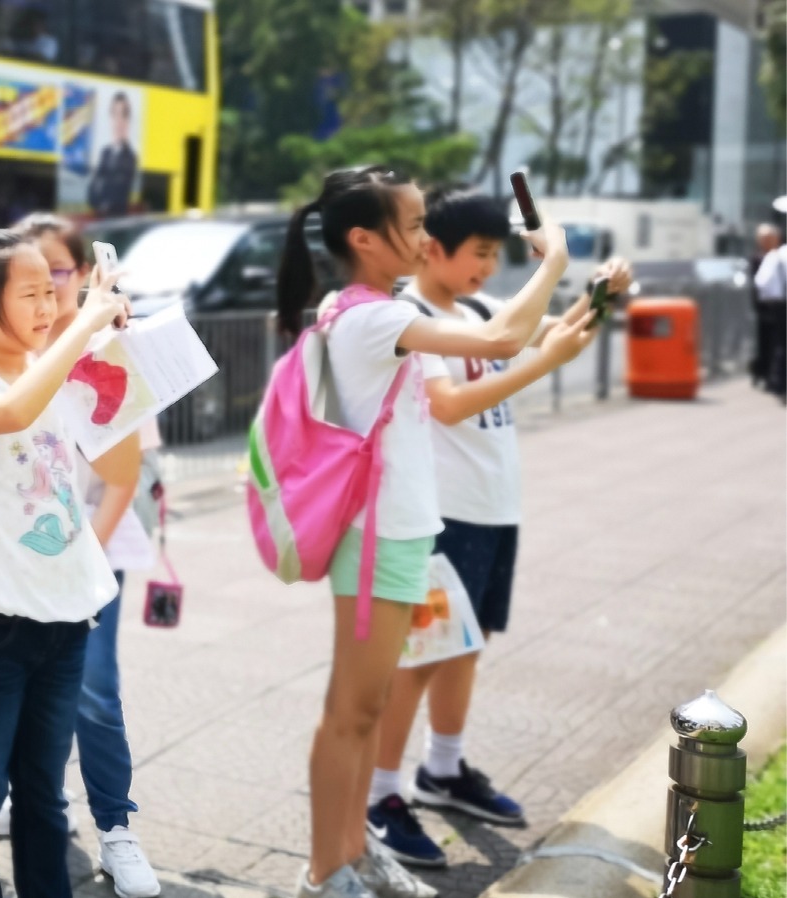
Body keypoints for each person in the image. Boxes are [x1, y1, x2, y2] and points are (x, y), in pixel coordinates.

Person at [272, 166, 569, 898]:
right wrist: (553, 262)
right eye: (411, 226)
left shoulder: (370, 310)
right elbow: (502, 337)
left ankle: (354, 851)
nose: (422, 237)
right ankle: (326, 869)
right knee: (350, 711)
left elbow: (500, 335)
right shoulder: (369, 316)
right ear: (364, 240)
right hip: (377, 535)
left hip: (400, 530)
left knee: (368, 706)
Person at [363, 187, 624, 870]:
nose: (487, 267)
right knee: (421, 656)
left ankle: (443, 769)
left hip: (493, 507)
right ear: (434, 249)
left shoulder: (478, 311)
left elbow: (559, 331)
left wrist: (600, 296)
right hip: (441, 516)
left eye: (493, 255)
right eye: (478, 253)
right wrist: (544, 358)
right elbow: (448, 405)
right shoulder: (414, 318)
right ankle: (381, 794)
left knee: (466, 646)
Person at [0, 227, 129, 898]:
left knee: (45, 796)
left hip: (67, 617)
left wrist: (116, 347)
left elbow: (121, 458)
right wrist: (83, 326)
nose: (48, 307)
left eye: (53, 291)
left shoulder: (60, 373)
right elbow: (13, 411)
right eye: (31, 294)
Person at [9, 213, 160, 898]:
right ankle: (32, 801)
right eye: (31, 276)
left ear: (82, 274)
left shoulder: (108, 349)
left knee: (94, 692)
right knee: (17, 687)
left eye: (58, 272)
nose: (46, 289)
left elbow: (124, 480)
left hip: (95, 549)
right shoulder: (13, 353)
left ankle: (116, 828)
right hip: (21, 557)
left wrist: (79, 560)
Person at [86, 93, 138, 219]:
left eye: (123, 115)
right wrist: (97, 204)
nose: (118, 121)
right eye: (115, 114)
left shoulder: (130, 157)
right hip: (100, 218)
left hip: (115, 220)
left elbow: (119, 192)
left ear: (128, 121)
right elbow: (93, 187)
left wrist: (103, 201)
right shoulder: (105, 152)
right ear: (111, 118)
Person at [751, 223, 784, 397]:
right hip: (770, 306)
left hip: (775, 305)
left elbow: (761, 282)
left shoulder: (776, 256)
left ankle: (775, 379)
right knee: (769, 343)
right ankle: (768, 376)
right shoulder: (765, 257)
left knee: (778, 344)